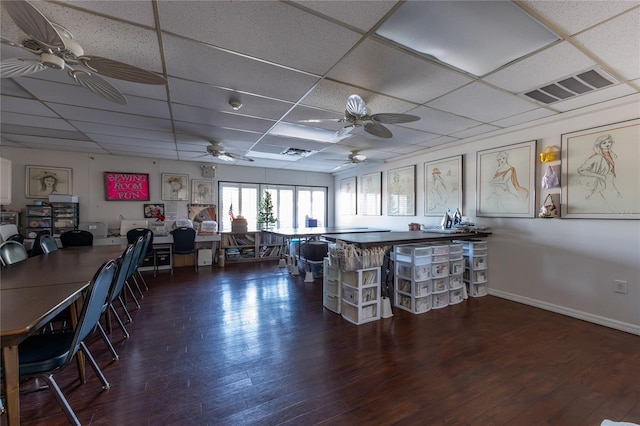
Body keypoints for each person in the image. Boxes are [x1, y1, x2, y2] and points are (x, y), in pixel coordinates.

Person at [577, 134, 621, 204]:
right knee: (615, 202)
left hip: (612, 181)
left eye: (609, 141)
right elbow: (581, 170)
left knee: (617, 201)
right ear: (599, 145)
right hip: (602, 182)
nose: (607, 144)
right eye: (604, 142)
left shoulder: (613, 155)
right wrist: (601, 176)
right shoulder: (597, 157)